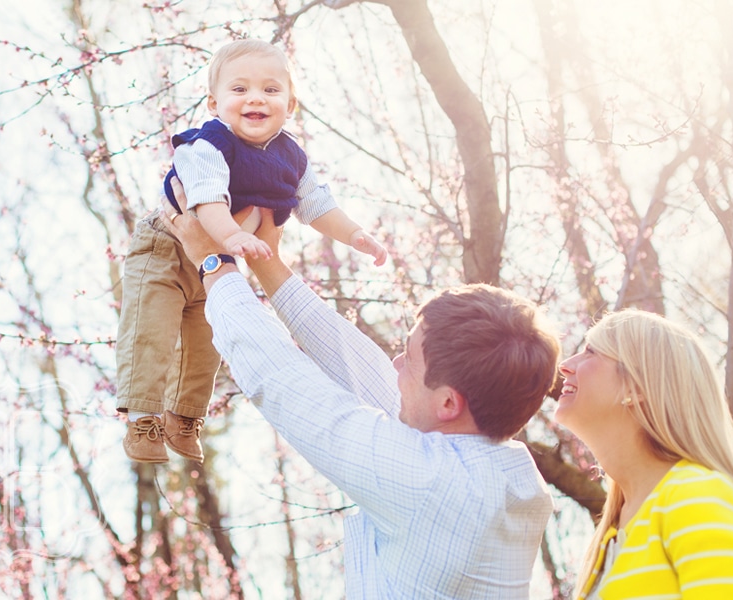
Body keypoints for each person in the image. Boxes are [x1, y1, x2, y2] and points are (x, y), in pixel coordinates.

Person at [161, 176, 563, 598]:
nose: (396, 364)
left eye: (410, 358)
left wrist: (212, 260)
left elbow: (284, 382)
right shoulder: (508, 474)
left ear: (448, 402)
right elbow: (360, 368)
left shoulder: (429, 481)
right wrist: (266, 261)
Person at [115, 39, 387, 464]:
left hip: (217, 258)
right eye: (239, 90)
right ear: (214, 102)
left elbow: (316, 205)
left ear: (290, 103)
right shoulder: (209, 143)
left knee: (209, 340)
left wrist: (354, 235)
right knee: (152, 329)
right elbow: (206, 200)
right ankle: (142, 417)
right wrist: (231, 239)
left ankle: (184, 418)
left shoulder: (291, 157)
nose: (255, 98)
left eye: (270, 90)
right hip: (166, 248)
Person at [556, 310, 733, 599]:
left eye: (591, 351)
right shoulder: (611, 533)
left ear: (638, 385)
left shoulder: (696, 495)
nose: (566, 366)